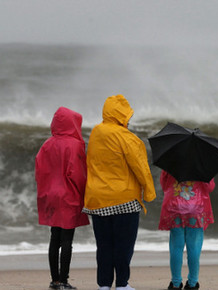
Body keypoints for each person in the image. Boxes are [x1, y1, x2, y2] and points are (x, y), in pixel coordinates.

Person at [83, 95, 156, 290]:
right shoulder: (127, 138)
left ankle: (104, 285)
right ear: (122, 115)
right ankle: (122, 284)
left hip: (97, 199)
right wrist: (149, 193)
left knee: (104, 245)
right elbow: (141, 167)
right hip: (124, 199)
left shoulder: (96, 132)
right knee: (123, 246)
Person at [35, 107, 90, 290]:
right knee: (67, 240)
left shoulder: (47, 144)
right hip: (68, 196)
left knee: (54, 238)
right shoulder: (74, 145)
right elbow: (78, 175)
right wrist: (85, 194)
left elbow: (39, 171)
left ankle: (55, 280)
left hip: (50, 196)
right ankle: (64, 281)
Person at [158, 171, 216, 290]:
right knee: (194, 247)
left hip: (174, 206)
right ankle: (192, 283)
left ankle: (175, 283)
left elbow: (164, 185)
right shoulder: (202, 164)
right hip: (196, 208)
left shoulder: (170, 160)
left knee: (176, 247)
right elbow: (209, 187)